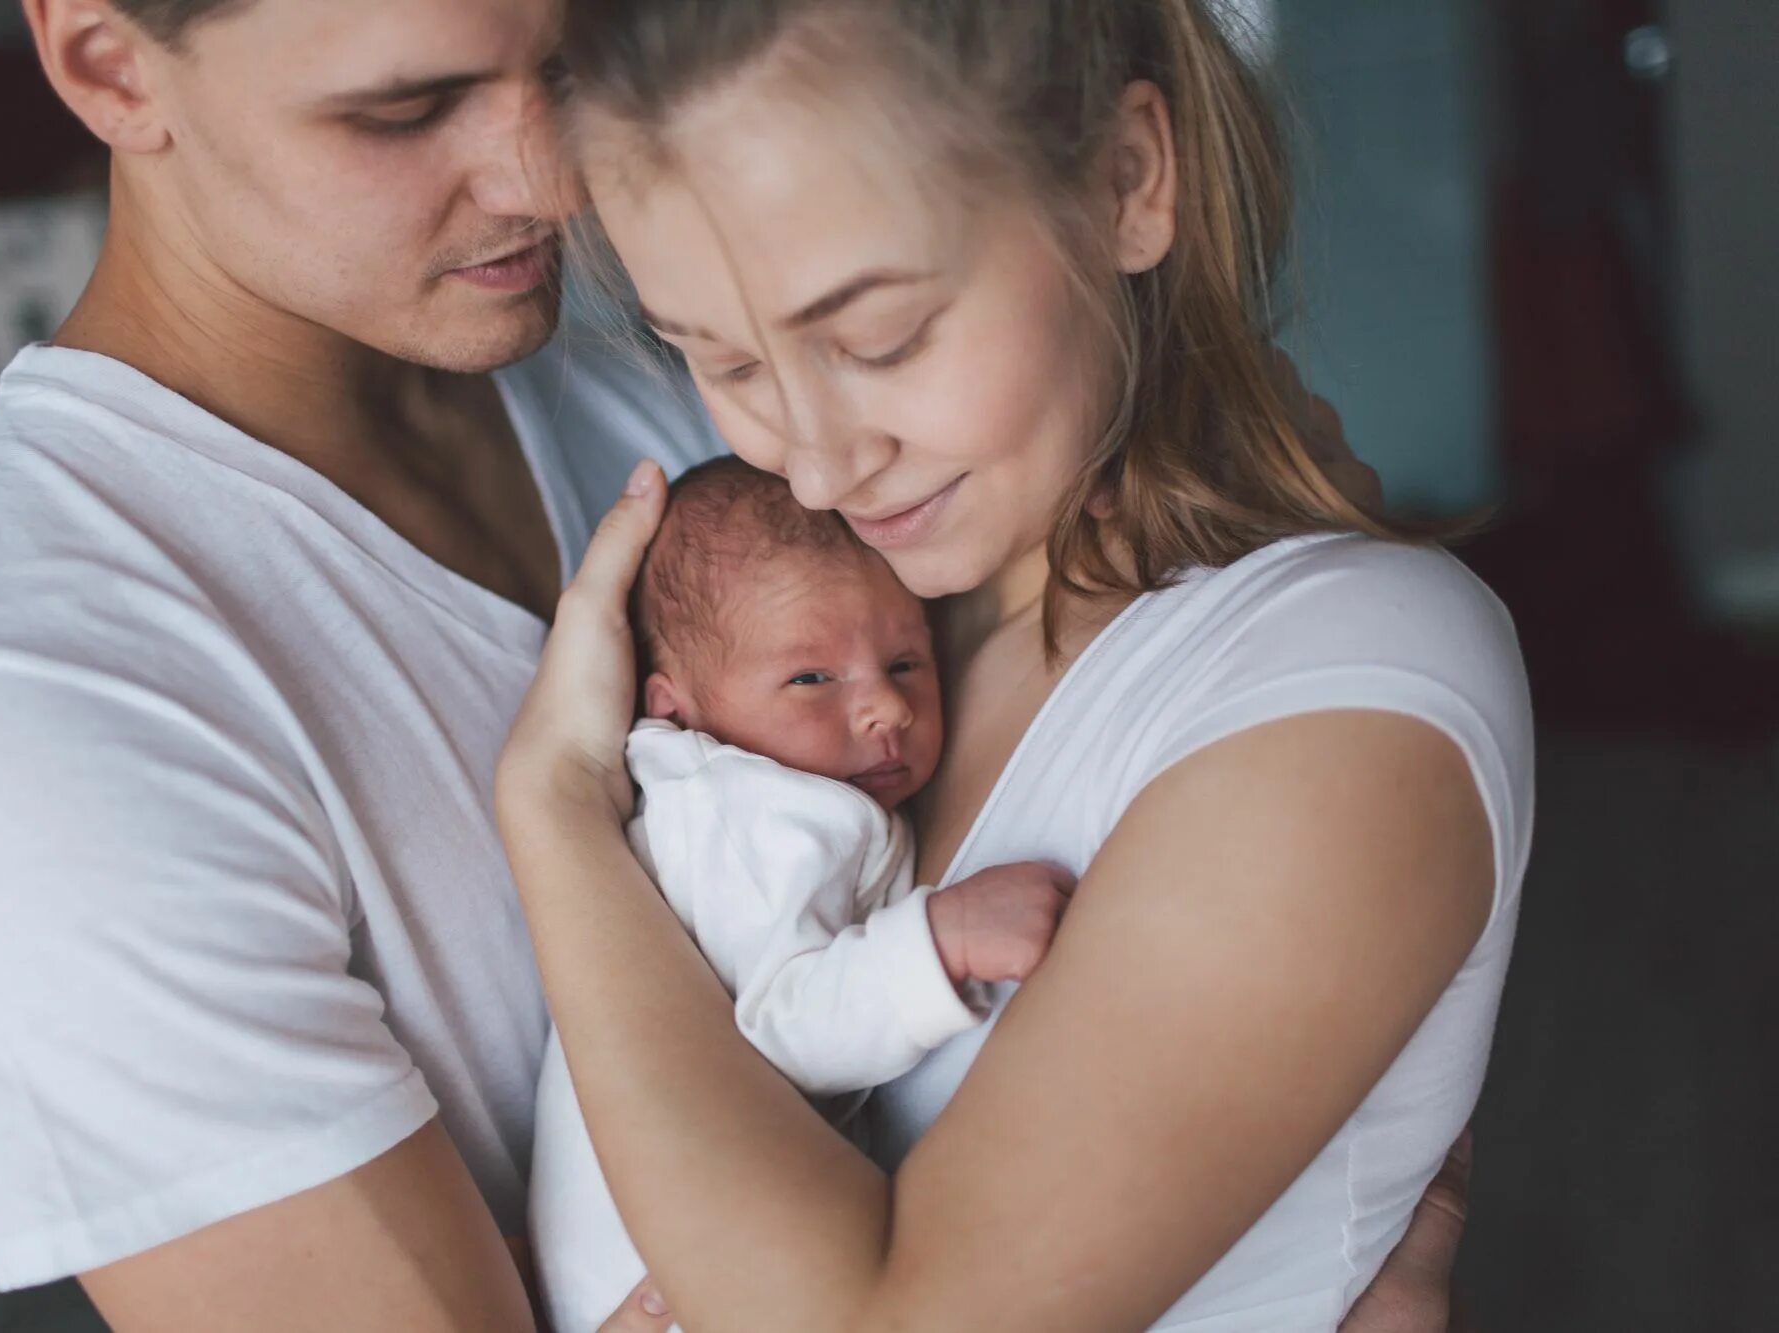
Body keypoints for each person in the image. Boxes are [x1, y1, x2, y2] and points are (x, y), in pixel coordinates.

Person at [0, 0, 1468, 1328]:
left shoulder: (693, 401)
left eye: (572, 59)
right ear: (107, 60)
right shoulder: (9, 731)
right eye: (408, 105)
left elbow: (1218, 599)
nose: (549, 178)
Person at [497, 1, 1532, 1331]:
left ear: (1127, 180)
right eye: (730, 364)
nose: (816, 463)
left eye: (881, 341)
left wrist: (555, 821)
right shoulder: (889, 644)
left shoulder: (1344, 668)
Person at [530, 457, 1072, 1332]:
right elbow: (778, 1031)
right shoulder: (753, 811)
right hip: (666, 1279)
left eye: (905, 661)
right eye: (812, 679)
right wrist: (938, 941)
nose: (884, 710)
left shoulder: (775, 790)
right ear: (678, 711)